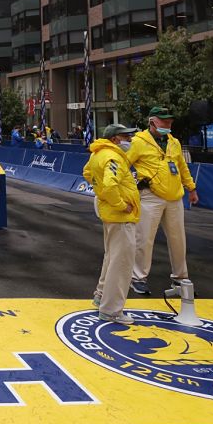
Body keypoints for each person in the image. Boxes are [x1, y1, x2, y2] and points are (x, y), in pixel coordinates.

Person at [126, 106, 198, 295]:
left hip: (174, 197)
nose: (168, 124)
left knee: (178, 239)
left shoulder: (174, 142)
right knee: (144, 238)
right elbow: (125, 164)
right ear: (152, 122)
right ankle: (138, 277)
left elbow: (182, 166)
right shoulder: (138, 142)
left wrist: (191, 187)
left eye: (170, 121)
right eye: (164, 121)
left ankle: (181, 278)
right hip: (150, 196)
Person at [83, 124, 141, 324]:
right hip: (120, 216)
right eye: (127, 137)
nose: (131, 140)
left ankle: (101, 296)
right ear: (115, 139)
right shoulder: (113, 157)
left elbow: (88, 174)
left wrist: (103, 195)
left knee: (111, 257)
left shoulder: (98, 154)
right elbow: (108, 185)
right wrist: (120, 204)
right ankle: (111, 309)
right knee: (122, 263)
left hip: (110, 214)